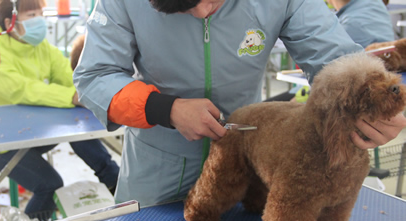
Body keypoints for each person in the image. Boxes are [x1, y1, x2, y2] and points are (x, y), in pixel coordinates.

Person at [74, 0, 406, 208]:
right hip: (154, 175)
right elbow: (94, 76)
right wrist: (167, 109)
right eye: (186, 7)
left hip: (248, 166)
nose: (203, 11)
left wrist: (369, 99)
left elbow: (334, 58)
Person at [0, 0, 119, 221]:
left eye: (40, 13)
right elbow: (21, 90)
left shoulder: (42, 48)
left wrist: (89, 92)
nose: (39, 20)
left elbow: (69, 77)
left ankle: (115, 183)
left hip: (31, 130)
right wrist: (72, 97)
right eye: (31, 15)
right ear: (10, 22)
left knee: (81, 134)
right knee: (48, 184)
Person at [265, 0, 396, 102]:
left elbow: (337, 80)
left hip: (345, 97)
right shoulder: (374, 7)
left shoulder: (352, 24)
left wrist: (300, 99)